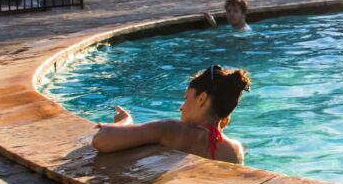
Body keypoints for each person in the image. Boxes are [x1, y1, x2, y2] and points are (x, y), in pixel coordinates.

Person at [92, 65, 251, 164]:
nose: (181, 107)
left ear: (201, 98)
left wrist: (125, 121)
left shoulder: (171, 130)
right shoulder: (234, 150)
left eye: (186, 98)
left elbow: (102, 139)